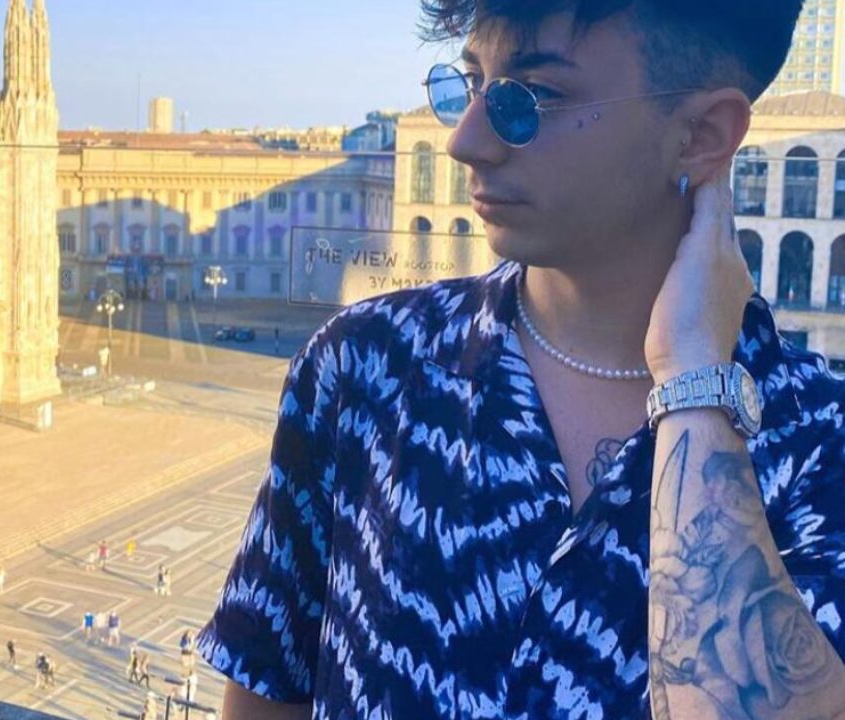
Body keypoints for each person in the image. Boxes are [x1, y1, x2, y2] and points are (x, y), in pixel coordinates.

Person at [196, 3, 845, 718]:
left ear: (702, 136)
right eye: (472, 84)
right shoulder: (365, 366)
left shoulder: (821, 440)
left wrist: (694, 379)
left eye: (532, 96)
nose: (466, 141)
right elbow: (266, 690)